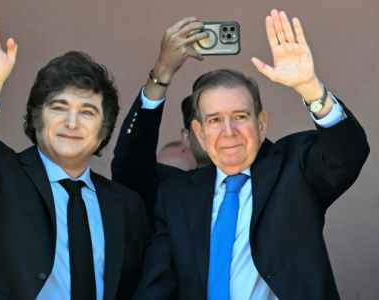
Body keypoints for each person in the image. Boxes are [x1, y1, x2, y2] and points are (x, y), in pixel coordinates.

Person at [133, 9, 369, 300]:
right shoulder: (175, 197)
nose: (229, 131)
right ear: (199, 133)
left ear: (261, 125)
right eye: (215, 120)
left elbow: (348, 156)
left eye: (240, 116)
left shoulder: (294, 168)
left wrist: (311, 89)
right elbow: (157, 287)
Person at [0, 10, 151, 300]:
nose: (71, 123)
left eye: (87, 112)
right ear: (36, 118)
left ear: (104, 130)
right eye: (59, 108)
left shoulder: (127, 205)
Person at [111, 17, 212, 222]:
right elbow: (132, 162)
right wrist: (161, 72)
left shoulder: (270, 182)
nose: (225, 129)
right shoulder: (167, 189)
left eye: (239, 117)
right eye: (210, 120)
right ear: (187, 136)